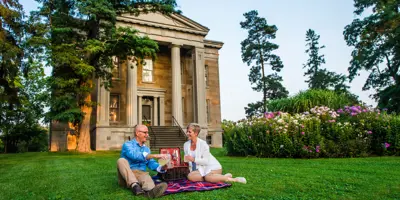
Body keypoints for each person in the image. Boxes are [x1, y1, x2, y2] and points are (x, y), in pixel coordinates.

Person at [117, 124, 169, 198]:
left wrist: (162, 167)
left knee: (149, 185)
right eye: (145, 132)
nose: (147, 135)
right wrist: (154, 155)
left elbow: (150, 162)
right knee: (121, 160)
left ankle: (149, 192)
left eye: (147, 133)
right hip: (126, 174)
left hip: (140, 173)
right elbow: (135, 155)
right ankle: (134, 185)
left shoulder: (147, 149)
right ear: (137, 133)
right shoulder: (127, 145)